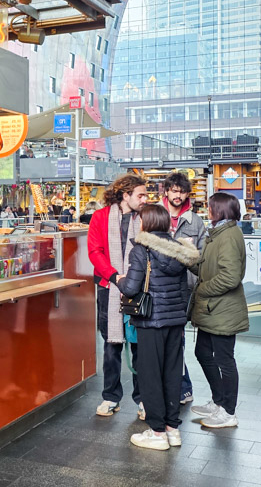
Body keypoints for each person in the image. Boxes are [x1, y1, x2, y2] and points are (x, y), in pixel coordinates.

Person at [115, 204, 201, 450]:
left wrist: (120, 280)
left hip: (151, 321)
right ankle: (173, 429)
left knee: (150, 376)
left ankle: (156, 432)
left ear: (147, 224)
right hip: (175, 320)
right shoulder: (179, 251)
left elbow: (131, 288)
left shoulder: (142, 250)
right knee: (173, 373)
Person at [87, 173, 150, 417]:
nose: (145, 199)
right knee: (111, 344)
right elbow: (95, 251)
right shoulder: (100, 217)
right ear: (126, 195)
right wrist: (115, 277)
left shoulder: (145, 217)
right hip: (108, 287)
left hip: (138, 288)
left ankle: (143, 398)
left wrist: (132, 280)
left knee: (139, 344)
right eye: (141, 195)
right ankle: (110, 396)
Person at [188, 192, 248, 429]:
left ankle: (229, 412)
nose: (207, 210)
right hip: (212, 310)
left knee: (224, 360)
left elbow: (230, 277)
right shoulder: (218, 234)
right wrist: (188, 259)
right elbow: (209, 268)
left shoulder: (228, 236)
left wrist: (203, 289)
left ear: (219, 210)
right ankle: (218, 401)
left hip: (222, 310)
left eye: (210, 207)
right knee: (203, 353)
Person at [160, 171, 207, 405]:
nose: (178, 195)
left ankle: (181, 388)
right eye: (174, 190)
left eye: (182, 191)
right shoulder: (156, 216)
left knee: (178, 338)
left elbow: (203, 254)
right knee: (165, 340)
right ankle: (177, 387)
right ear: (166, 191)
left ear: (188, 193)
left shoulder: (195, 221)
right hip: (159, 287)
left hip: (184, 288)